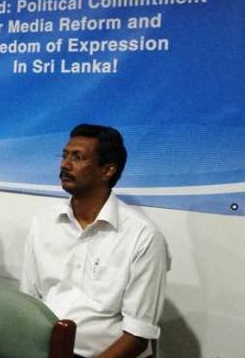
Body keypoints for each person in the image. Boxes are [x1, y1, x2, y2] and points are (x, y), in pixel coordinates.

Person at [20, 124, 169, 358]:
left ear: (107, 171)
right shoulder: (44, 222)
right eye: (65, 155)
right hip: (45, 349)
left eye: (77, 157)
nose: (65, 164)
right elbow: (28, 302)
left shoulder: (143, 236)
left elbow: (137, 337)